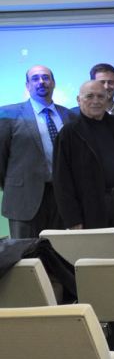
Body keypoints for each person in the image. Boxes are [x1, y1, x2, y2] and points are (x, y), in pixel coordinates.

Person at [53, 80, 114, 230]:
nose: (96, 101)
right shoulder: (68, 133)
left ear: (107, 98)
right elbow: (62, 181)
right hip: (90, 209)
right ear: (78, 100)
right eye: (89, 96)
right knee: (97, 252)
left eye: (101, 96)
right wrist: (73, 219)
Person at [0, 65, 74, 237]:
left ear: (53, 83)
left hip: (61, 198)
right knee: (26, 255)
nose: (41, 82)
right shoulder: (8, 114)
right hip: (23, 199)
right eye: (35, 78)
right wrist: (14, 184)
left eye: (46, 77)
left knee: (59, 255)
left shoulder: (68, 116)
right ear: (27, 85)